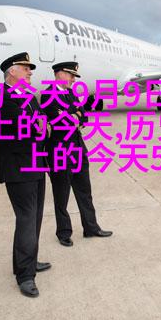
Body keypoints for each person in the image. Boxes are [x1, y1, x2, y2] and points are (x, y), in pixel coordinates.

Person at [0, 52, 50, 297]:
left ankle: (29, 261)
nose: (30, 72)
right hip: (18, 167)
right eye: (25, 68)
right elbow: (25, 130)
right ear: (12, 71)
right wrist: (37, 127)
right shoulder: (1, 99)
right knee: (26, 219)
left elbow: (41, 126)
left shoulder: (29, 97)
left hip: (37, 163)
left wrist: (38, 126)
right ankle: (25, 276)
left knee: (35, 218)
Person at [41, 61, 112, 247]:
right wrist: (74, 115)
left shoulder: (70, 93)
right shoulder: (48, 94)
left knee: (85, 192)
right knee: (61, 195)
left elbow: (84, 115)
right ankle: (64, 232)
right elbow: (62, 121)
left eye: (74, 76)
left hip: (78, 149)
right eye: (71, 75)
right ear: (59, 74)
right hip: (59, 152)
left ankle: (91, 227)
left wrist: (75, 115)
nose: (73, 79)